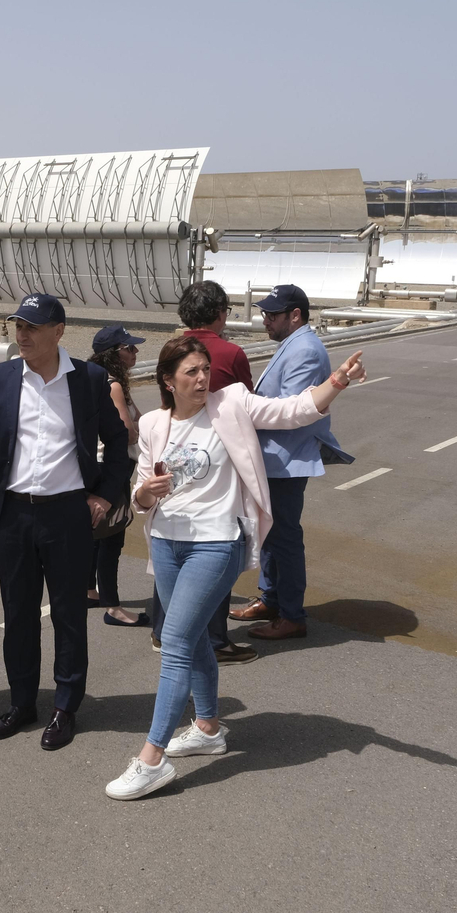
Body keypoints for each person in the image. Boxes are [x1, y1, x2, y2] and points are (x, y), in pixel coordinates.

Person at [104, 336, 368, 800]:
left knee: (175, 640)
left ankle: (152, 757)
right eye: (191, 372)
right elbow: (139, 493)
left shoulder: (232, 403)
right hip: (166, 543)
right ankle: (207, 728)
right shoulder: (152, 423)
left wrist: (336, 382)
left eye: (205, 369)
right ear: (168, 380)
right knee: (199, 632)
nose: (203, 378)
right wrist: (149, 492)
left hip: (217, 542)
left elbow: (293, 411)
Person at [0, 292, 130, 752]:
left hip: (67, 514)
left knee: (70, 616)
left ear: (58, 332)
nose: (23, 334)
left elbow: (118, 445)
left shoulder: (89, 380)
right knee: (18, 615)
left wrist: (103, 496)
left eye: (32, 327)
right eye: (18, 325)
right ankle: (22, 702)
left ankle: (65, 707)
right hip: (13, 515)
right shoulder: (0, 379)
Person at [229, 284, 354, 643]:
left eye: (272, 315)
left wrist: (242, 411)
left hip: (286, 460)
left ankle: (291, 615)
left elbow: (290, 411)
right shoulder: (293, 344)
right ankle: (271, 600)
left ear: (294, 315)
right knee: (270, 534)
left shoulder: (306, 351)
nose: (264, 320)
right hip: (275, 459)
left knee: (283, 537)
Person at [175, 279, 258, 664]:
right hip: (221, 463)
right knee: (221, 546)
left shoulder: (172, 351)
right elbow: (249, 407)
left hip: (179, 457)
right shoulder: (230, 353)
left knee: (176, 548)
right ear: (221, 313)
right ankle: (216, 639)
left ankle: (169, 631)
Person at [86, 324, 148, 629]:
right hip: (113, 465)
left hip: (94, 465)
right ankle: (113, 606)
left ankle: (88, 589)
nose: (135, 352)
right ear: (114, 354)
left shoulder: (90, 379)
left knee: (95, 532)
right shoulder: (113, 386)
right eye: (129, 348)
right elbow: (125, 432)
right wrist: (138, 430)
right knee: (113, 537)